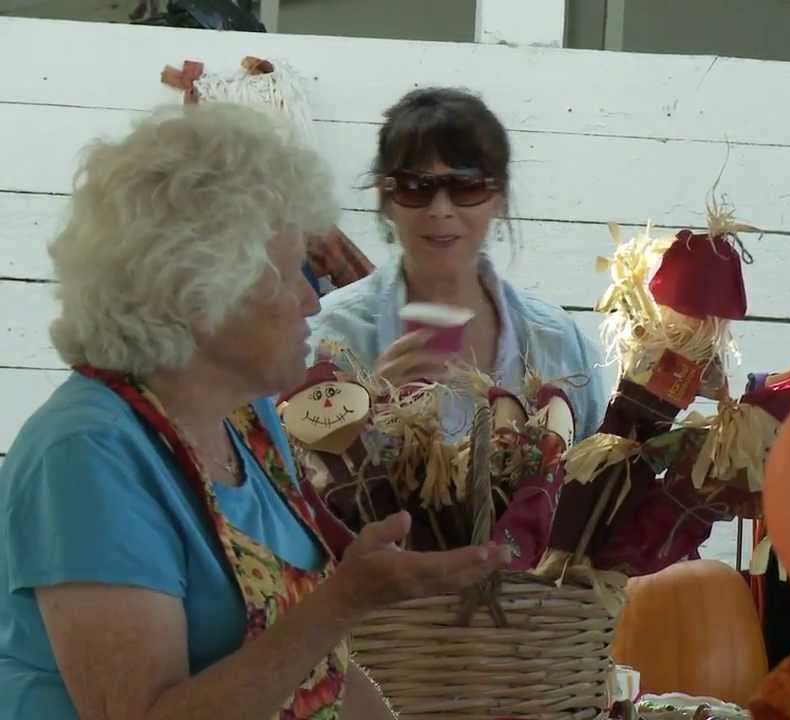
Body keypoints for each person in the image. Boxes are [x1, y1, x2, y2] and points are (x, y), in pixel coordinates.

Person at [0, 103, 509, 720]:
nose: (309, 301)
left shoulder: (249, 421)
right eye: (292, 272)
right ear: (199, 291)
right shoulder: (85, 453)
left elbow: (320, 675)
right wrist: (344, 602)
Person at [309, 88, 610, 441]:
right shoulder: (331, 337)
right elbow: (293, 482)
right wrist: (371, 418)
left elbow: (592, 477)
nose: (440, 210)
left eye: (466, 186)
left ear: (499, 198)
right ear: (385, 198)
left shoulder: (557, 341)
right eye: (415, 187)